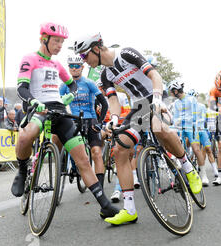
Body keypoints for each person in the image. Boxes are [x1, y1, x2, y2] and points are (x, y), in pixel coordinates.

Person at [73, 33, 202, 226]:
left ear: (96, 49)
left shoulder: (126, 54)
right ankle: (130, 210)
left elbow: (154, 75)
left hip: (157, 96)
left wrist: (158, 98)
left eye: (84, 56)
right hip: (139, 108)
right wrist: (114, 120)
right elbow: (113, 100)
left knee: (158, 127)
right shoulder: (105, 74)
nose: (84, 61)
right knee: (120, 149)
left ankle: (188, 167)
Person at [11, 23, 119, 221]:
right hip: (39, 108)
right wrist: (33, 100)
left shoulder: (57, 65)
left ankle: (105, 206)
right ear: (44, 39)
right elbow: (21, 88)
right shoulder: (30, 59)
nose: (60, 45)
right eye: (56, 41)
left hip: (59, 111)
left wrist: (69, 97)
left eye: (62, 42)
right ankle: (22, 170)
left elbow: (72, 85)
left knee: (83, 159)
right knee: (27, 133)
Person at [59, 54, 109, 189]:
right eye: (71, 66)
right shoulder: (64, 86)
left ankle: (100, 188)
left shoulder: (89, 83)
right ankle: (64, 163)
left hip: (90, 119)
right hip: (73, 120)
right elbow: (58, 103)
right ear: (68, 68)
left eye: (77, 66)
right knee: (61, 140)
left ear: (82, 67)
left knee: (97, 153)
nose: (74, 69)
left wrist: (99, 123)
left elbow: (104, 104)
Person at [169, 81, 209, 186]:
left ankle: (203, 175)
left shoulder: (191, 100)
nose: (171, 95)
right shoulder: (176, 103)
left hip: (191, 126)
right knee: (176, 149)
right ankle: (180, 175)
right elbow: (175, 118)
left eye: (172, 92)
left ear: (176, 91)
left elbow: (195, 115)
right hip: (180, 128)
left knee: (196, 149)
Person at [189, 89, 219, 182]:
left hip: (202, 130)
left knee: (209, 149)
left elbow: (205, 118)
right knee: (196, 152)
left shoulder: (202, 106)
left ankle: (216, 171)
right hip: (193, 131)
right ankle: (202, 175)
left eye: (194, 97)